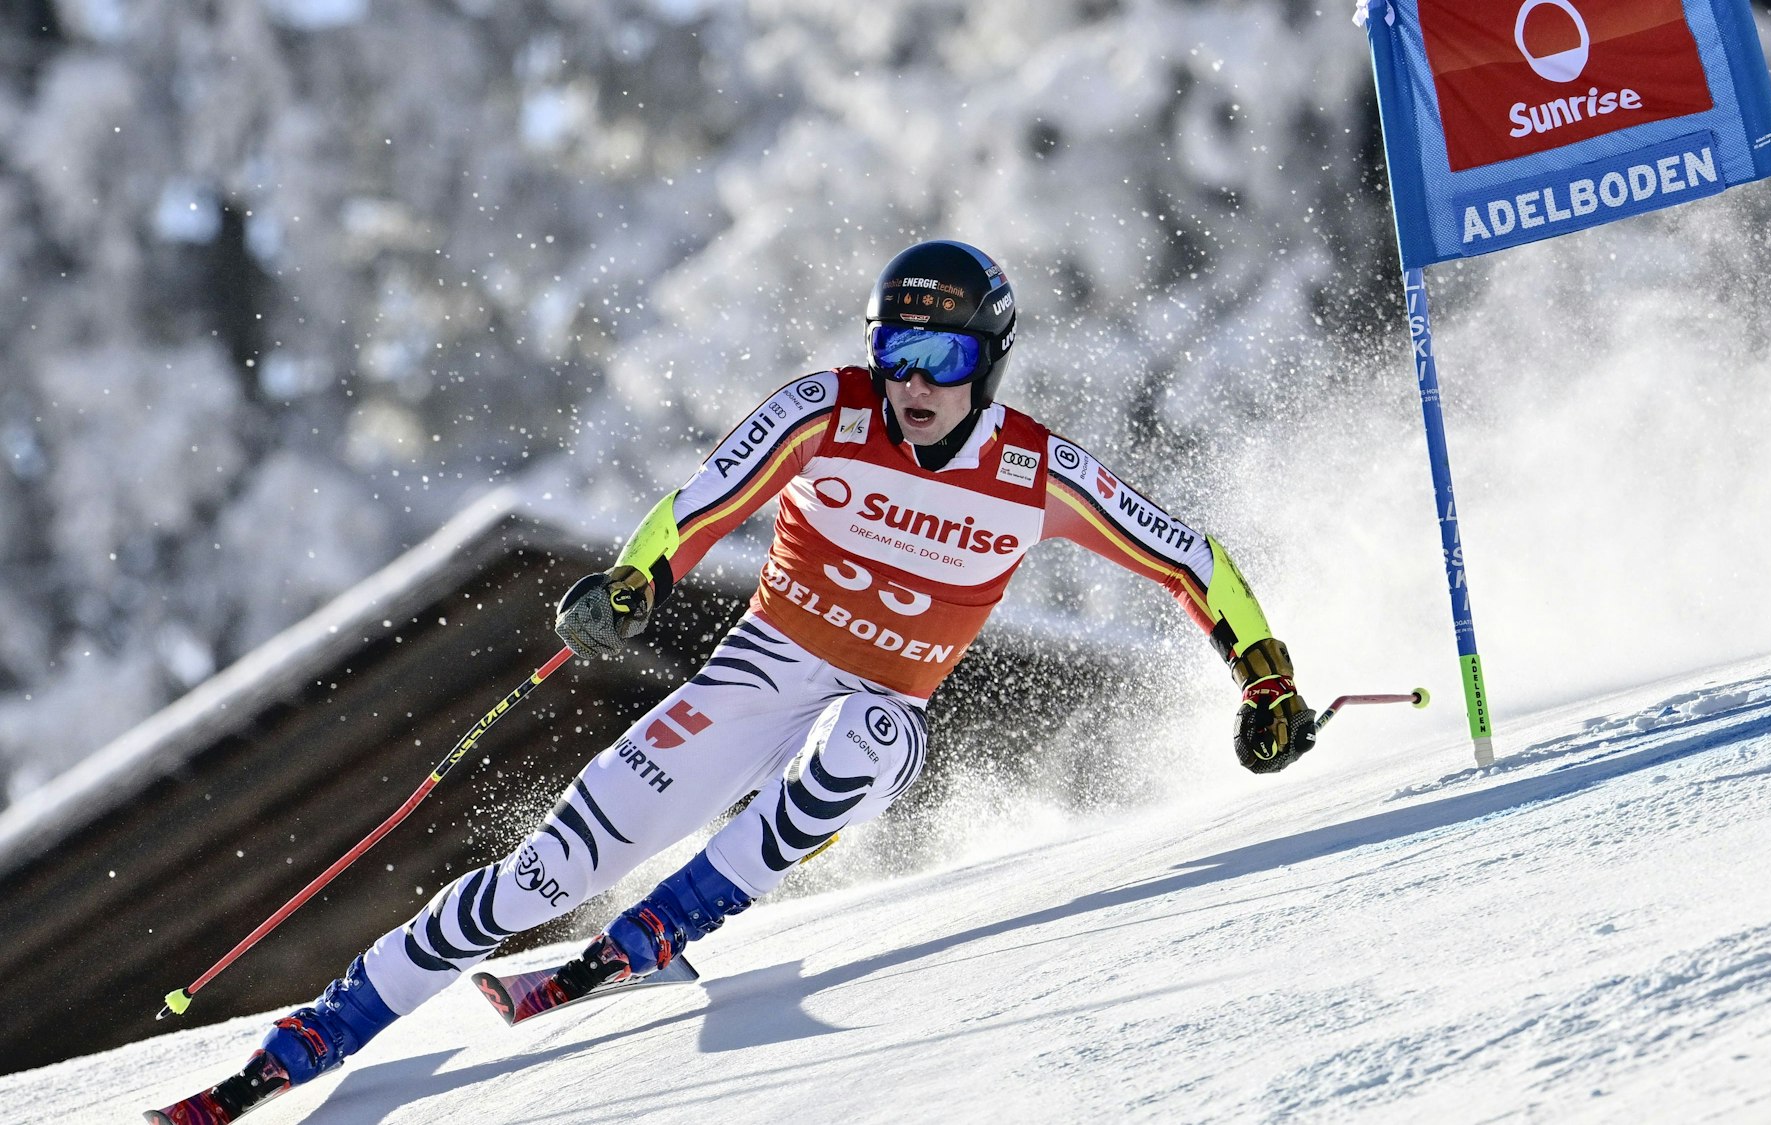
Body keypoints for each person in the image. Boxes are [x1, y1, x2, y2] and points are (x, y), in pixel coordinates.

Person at [147, 240, 1318, 1123]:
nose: (909, 382)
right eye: (892, 351)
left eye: (939, 358)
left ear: (987, 361)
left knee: (869, 737)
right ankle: (304, 1044)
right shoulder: (827, 411)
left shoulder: (1035, 472)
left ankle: (676, 920)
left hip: (878, 710)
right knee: (536, 879)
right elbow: (701, 501)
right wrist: (636, 582)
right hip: (758, 674)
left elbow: (1191, 561)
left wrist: (1262, 682)